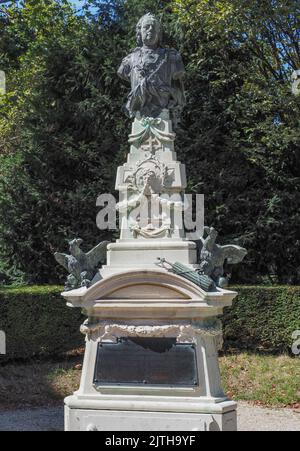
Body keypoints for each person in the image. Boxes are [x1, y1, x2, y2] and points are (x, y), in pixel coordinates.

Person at [118, 13, 186, 123]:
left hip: (163, 113)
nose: (150, 30)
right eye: (146, 27)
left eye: (154, 27)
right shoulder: (129, 60)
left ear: (159, 33)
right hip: (140, 114)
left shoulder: (172, 57)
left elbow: (178, 85)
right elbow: (122, 73)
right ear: (139, 31)